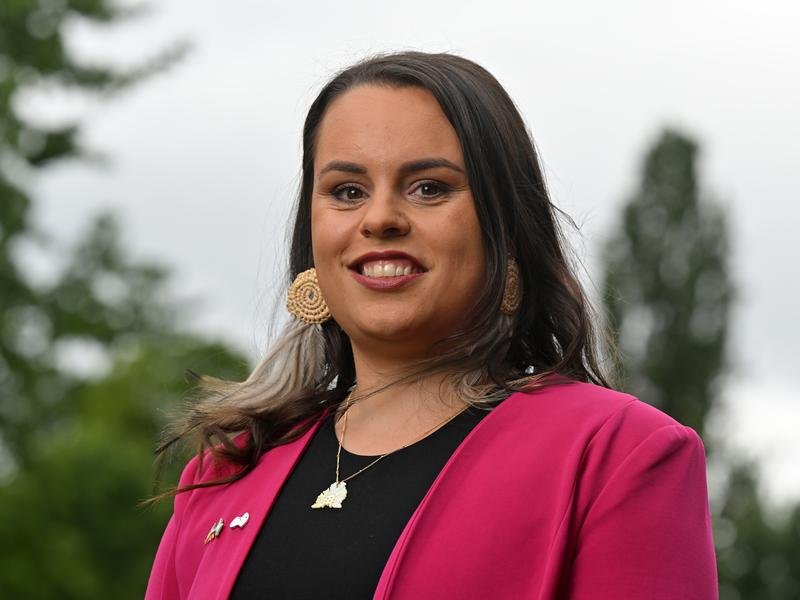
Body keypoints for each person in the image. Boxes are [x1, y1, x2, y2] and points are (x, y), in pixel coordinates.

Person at [144, 51, 718, 599]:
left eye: (429, 188)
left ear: (506, 233)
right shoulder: (224, 473)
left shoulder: (617, 454)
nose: (381, 219)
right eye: (347, 191)